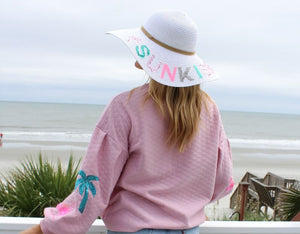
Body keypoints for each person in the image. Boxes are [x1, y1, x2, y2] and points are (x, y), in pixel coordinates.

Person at [21, 10, 233, 234]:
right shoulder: (209, 111)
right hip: (189, 229)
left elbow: (94, 186)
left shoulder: (126, 107)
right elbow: (222, 181)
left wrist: (47, 229)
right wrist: (185, 207)